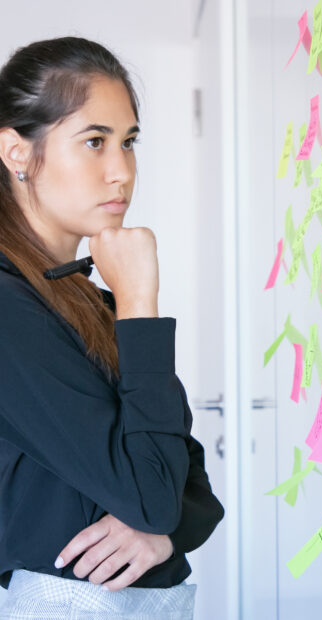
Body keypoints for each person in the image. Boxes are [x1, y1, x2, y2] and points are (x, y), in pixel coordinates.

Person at [0, 37, 224, 619]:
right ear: (16, 152)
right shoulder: (9, 305)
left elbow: (186, 478)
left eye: (128, 143)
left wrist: (164, 535)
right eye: (94, 142)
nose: (121, 171)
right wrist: (140, 301)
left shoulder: (82, 297)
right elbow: (154, 495)